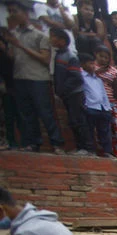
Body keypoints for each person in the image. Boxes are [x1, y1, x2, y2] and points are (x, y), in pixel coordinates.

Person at [1, 0, 65, 153]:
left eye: (15, 11)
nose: (12, 15)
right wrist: (6, 47)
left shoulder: (40, 35)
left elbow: (45, 59)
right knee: (26, 114)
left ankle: (57, 144)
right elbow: (13, 57)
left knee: (45, 112)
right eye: (9, 12)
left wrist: (19, 45)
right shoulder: (14, 35)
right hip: (19, 77)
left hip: (38, 79)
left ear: (25, 14)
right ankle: (33, 143)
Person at [49, 27, 92, 155]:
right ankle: (80, 147)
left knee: (78, 120)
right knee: (73, 121)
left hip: (74, 93)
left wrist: (62, 89)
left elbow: (76, 77)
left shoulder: (69, 56)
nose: (51, 39)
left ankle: (86, 148)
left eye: (53, 36)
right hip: (68, 94)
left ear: (62, 40)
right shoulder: (59, 55)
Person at [79, 52, 112, 156]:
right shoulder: (81, 77)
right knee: (89, 130)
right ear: (83, 64)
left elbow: (104, 94)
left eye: (93, 64)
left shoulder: (98, 79)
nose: (93, 66)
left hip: (103, 108)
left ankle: (107, 151)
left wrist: (107, 108)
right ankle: (91, 150)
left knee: (104, 131)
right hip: (90, 107)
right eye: (90, 64)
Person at [94, 45, 117, 153]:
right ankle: (100, 149)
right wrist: (99, 71)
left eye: (106, 58)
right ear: (96, 54)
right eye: (101, 56)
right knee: (100, 127)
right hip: (95, 102)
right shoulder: (91, 67)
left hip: (111, 103)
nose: (104, 59)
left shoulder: (113, 71)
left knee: (114, 128)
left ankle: (114, 151)